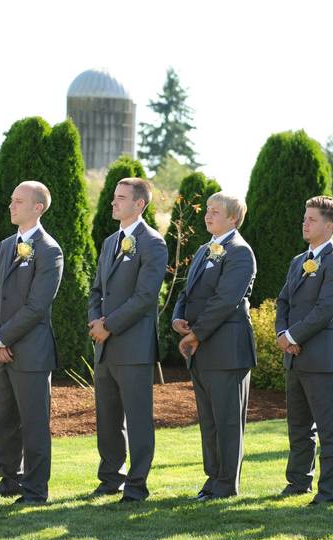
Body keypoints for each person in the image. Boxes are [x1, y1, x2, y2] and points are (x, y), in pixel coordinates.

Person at [172, 192, 256, 500]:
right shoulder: (203, 250)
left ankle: (226, 485)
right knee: (209, 421)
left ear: (233, 218)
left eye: (215, 211)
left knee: (227, 420)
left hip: (226, 348)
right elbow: (186, 291)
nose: (208, 215)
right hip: (201, 347)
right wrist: (178, 318)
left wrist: (196, 334)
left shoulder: (240, 252)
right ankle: (212, 479)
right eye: (207, 210)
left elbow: (225, 301)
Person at [87, 178, 167, 502]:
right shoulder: (109, 242)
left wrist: (110, 325)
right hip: (104, 347)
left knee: (137, 420)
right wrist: (96, 322)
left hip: (133, 347)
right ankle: (110, 478)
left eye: (120, 198)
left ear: (139, 204)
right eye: (113, 197)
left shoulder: (153, 243)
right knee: (107, 417)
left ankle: (137, 485)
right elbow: (97, 290)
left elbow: (145, 297)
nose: (113, 203)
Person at [0, 181, 63, 504]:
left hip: (31, 352)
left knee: (33, 424)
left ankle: (35, 489)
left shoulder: (49, 250)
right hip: (2, 353)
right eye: (11, 200)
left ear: (37, 207)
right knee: (4, 421)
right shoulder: (6, 246)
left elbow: (36, 306)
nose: (11, 206)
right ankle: (9, 480)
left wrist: (1, 337)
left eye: (18, 201)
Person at [276, 195, 333, 505]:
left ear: (330, 225)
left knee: (328, 427)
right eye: (304, 217)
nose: (304, 222)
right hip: (293, 357)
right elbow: (283, 301)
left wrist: (294, 334)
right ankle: (298, 482)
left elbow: (326, 309)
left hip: (321, 356)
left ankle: (329, 491)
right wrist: (283, 334)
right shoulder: (298, 261)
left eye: (311, 219)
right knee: (297, 425)